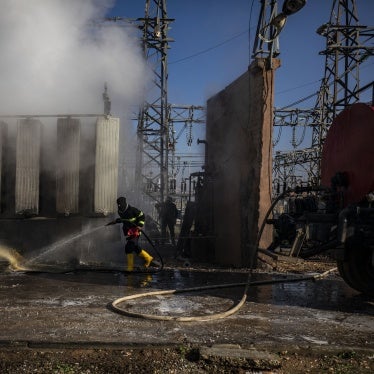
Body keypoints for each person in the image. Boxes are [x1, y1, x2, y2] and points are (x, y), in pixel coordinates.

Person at [108, 196, 155, 271]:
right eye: (118, 205)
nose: (119, 206)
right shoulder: (120, 211)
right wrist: (115, 221)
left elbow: (142, 216)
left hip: (135, 231)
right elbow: (124, 219)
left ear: (124, 203)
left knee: (128, 248)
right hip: (128, 232)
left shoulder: (132, 210)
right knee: (135, 248)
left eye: (120, 204)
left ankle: (130, 268)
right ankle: (148, 258)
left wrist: (140, 225)